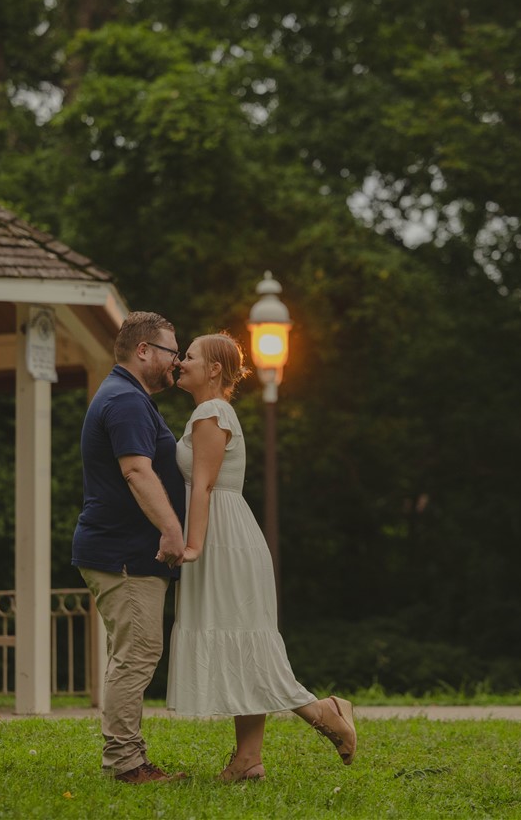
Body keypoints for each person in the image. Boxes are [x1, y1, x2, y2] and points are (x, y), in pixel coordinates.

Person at [163, 332, 357, 781]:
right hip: (221, 533)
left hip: (221, 537)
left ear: (214, 369)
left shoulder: (211, 412)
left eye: (189, 356)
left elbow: (204, 485)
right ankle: (249, 759)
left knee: (246, 640)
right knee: (241, 640)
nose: (180, 362)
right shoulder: (208, 412)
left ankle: (324, 713)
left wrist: (192, 544)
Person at [72, 311, 187, 784]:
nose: (176, 363)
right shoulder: (126, 401)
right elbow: (137, 471)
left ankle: (129, 757)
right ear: (144, 351)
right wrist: (171, 529)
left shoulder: (126, 396)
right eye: (171, 353)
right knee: (137, 655)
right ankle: (126, 764)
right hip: (122, 553)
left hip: (121, 550)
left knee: (133, 653)